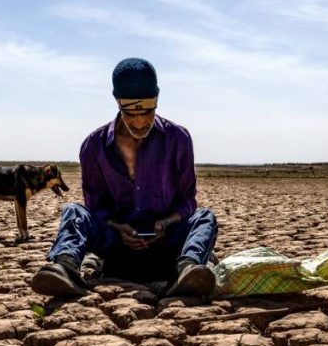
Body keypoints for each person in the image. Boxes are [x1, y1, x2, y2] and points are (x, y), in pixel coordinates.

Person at [31, 58, 218, 299]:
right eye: (130, 113)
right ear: (118, 102)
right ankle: (64, 267)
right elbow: (96, 206)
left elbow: (187, 200)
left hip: (166, 242)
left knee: (205, 217)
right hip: (116, 243)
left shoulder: (178, 139)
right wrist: (118, 228)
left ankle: (188, 270)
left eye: (148, 111)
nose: (140, 122)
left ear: (157, 100)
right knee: (74, 211)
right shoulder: (94, 146)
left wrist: (167, 223)